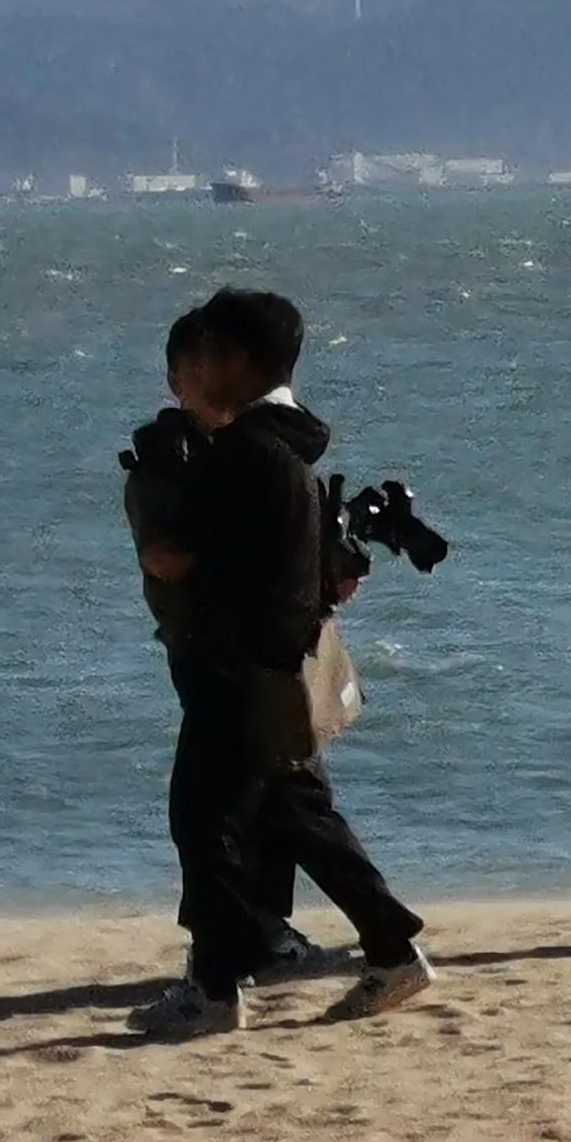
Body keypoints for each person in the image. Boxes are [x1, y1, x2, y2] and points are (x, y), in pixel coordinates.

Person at [135, 288, 436, 1036]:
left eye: (204, 357)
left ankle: (214, 991)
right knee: (297, 820)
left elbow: (171, 557)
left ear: (236, 362)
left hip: (236, 667)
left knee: (205, 824)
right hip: (281, 663)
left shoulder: (242, 452)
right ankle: (391, 950)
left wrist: (163, 537)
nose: (196, 373)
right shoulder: (294, 447)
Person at [124, 309, 359, 997]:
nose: (200, 382)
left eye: (212, 365)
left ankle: (267, 940)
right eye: (190, 370)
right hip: (213, 652)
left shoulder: (263, 451)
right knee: (231, 809)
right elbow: (169, 555)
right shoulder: (174, 462)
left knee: (275, 800)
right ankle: (236, 949)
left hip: (261, 651)